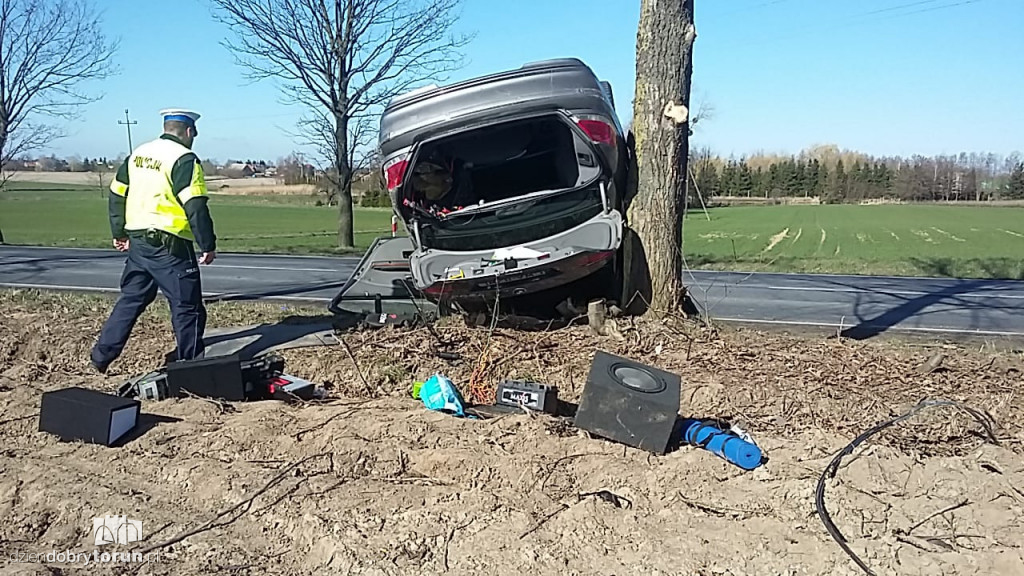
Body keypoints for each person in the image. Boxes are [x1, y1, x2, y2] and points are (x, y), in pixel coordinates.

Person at [90, 109, 218, 374]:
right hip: (171, 245)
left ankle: (100, 357)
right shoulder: (184, 159)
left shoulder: (138, 154)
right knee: (188, 308)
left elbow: (116, 195)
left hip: (138, 242)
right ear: (189, 132)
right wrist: (207, 244)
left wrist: (119, 233)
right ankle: (190, 368)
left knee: (131, 300)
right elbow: (195, 207)